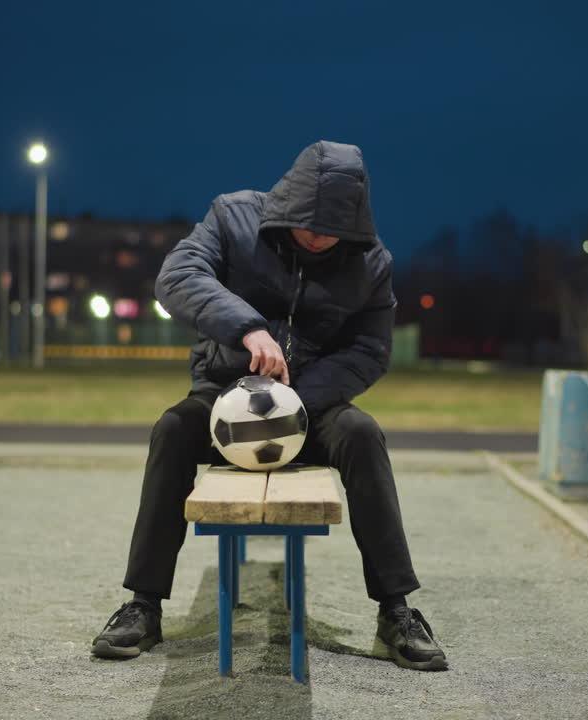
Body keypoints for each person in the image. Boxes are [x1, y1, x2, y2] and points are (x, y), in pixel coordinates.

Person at [91, 140, 447, 671]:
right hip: (224, 395)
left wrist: (291, 403)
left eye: (332, 232)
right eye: (308, 225)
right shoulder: (232, 216)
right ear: (289, 205)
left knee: (363, 435)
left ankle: (395, 609)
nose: (319, 238)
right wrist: (249, 328)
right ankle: (144, 604)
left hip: (312, 404)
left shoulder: (372, 262)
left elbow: (370, 352)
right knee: (170, 430)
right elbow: (178, 278)